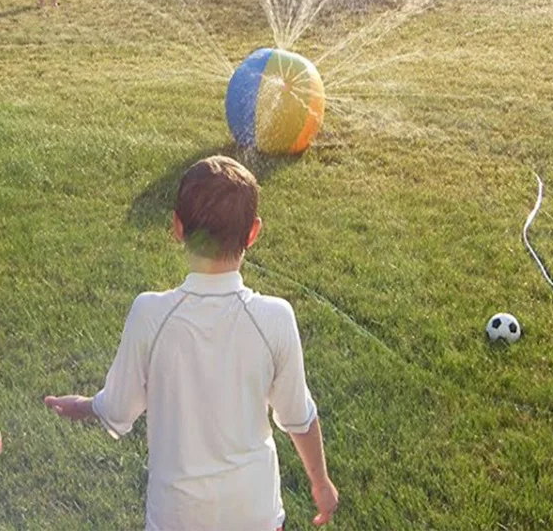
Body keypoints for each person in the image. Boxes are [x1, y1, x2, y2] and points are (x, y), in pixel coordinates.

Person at [45, 155, 338, 530]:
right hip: (255, 514)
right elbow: (299, 416)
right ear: (253, 232)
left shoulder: (149, 314)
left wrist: (83, 406)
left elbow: (119, 408)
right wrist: (320, 482)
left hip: (177, 518)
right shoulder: (276, 318)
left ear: (177, 227)